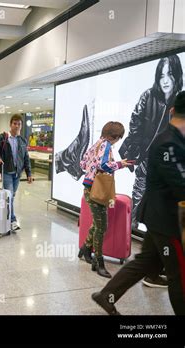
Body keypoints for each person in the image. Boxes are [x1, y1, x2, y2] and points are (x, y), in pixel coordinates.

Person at [92, 91, 185, 315]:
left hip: (158, 218)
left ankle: (107, 296)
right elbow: (180, 186)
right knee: (179, 275)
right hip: (166, 221)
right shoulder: (168, 144)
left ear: (172, 110)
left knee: (145, 262)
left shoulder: (170, 140)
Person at [120, 55, 183, 230]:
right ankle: (130, 227)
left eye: (169, 74)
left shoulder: (179, 100)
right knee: (140, 189)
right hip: (147, 154)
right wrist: (134, 150)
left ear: (176, 75)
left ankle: (149, 229)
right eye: (161, 76)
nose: (165, 81)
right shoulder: (149, 95)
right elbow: (136, 123)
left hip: (167, 158)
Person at [78, 122, 132, 278]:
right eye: (118, 138)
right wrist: (120, 164)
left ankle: (85, 249)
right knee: (102, 226)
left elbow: (83, 163)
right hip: (98, 190)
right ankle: (98, 262)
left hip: (89, 188)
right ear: (115, 136)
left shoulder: (97, 144)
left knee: (97, 223)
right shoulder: (106, 145)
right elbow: (104, 165)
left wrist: (92, 170)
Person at [0, 114, 33, 231]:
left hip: (17, 173)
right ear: (10, 124)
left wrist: (29, 173)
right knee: (10, 196)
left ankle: (4, 215)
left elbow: (26, 158)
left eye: (19, 124)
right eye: (15, 123)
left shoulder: (22, 141)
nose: (17, 126)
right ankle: (12, 220)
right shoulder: (3, 138)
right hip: (7, 171)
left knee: (11, 196)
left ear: (21, 125)